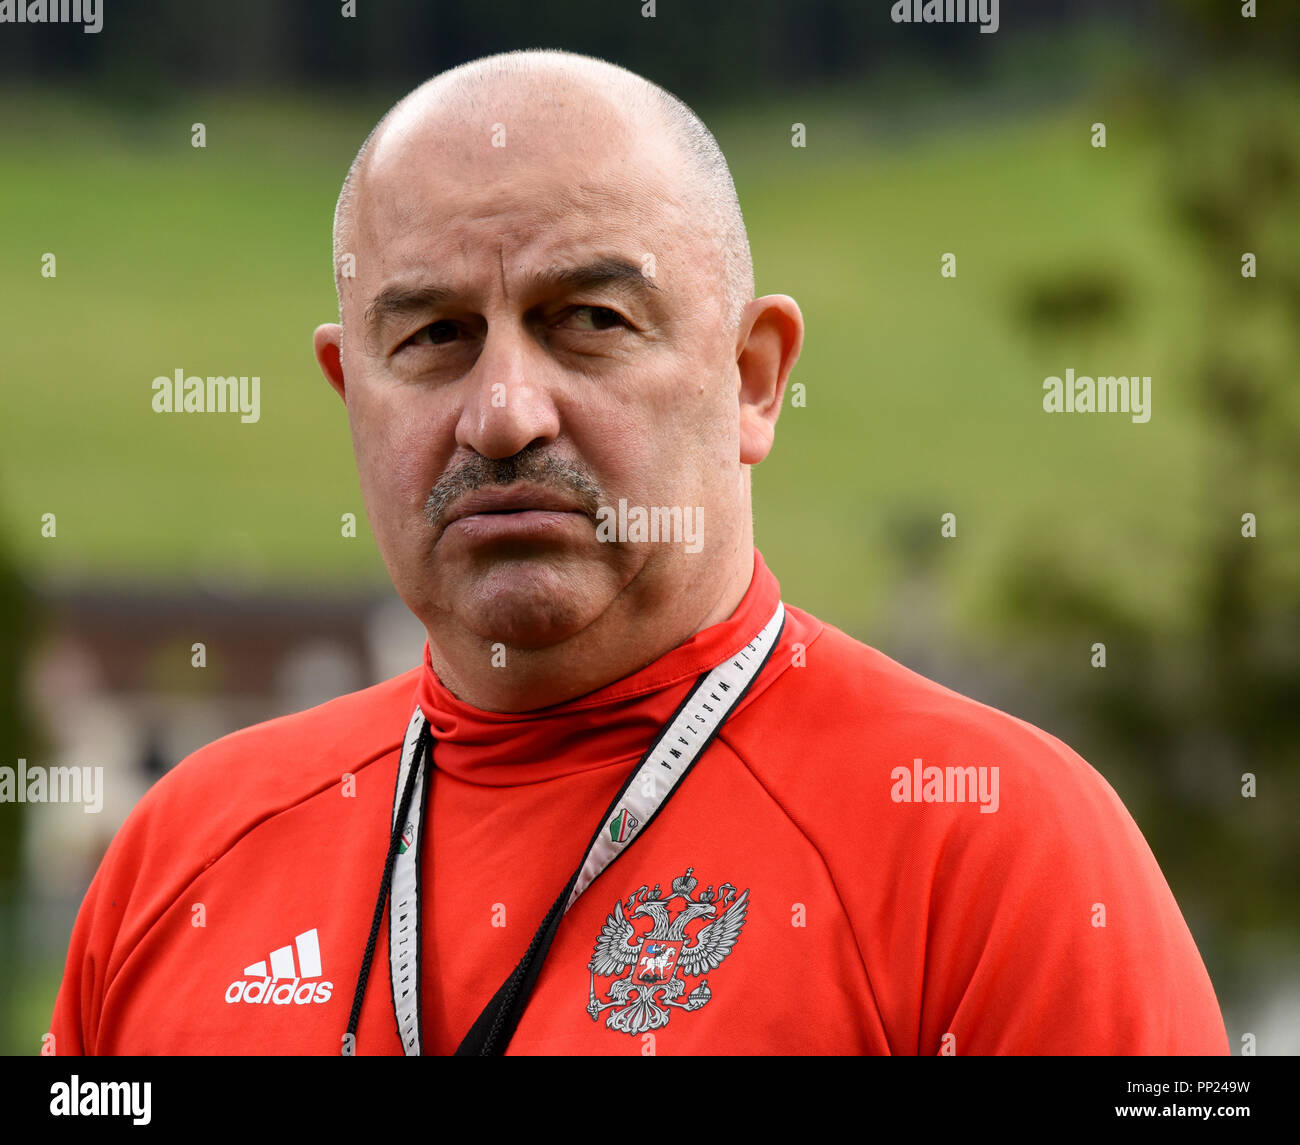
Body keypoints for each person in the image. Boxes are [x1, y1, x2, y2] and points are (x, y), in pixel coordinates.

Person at [48, 49, 1227, 1056]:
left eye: (590, 321)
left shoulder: (993, 847)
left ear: (752, 376)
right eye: (433, 336)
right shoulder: (180, 860)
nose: (504, 411)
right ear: (349, 388)